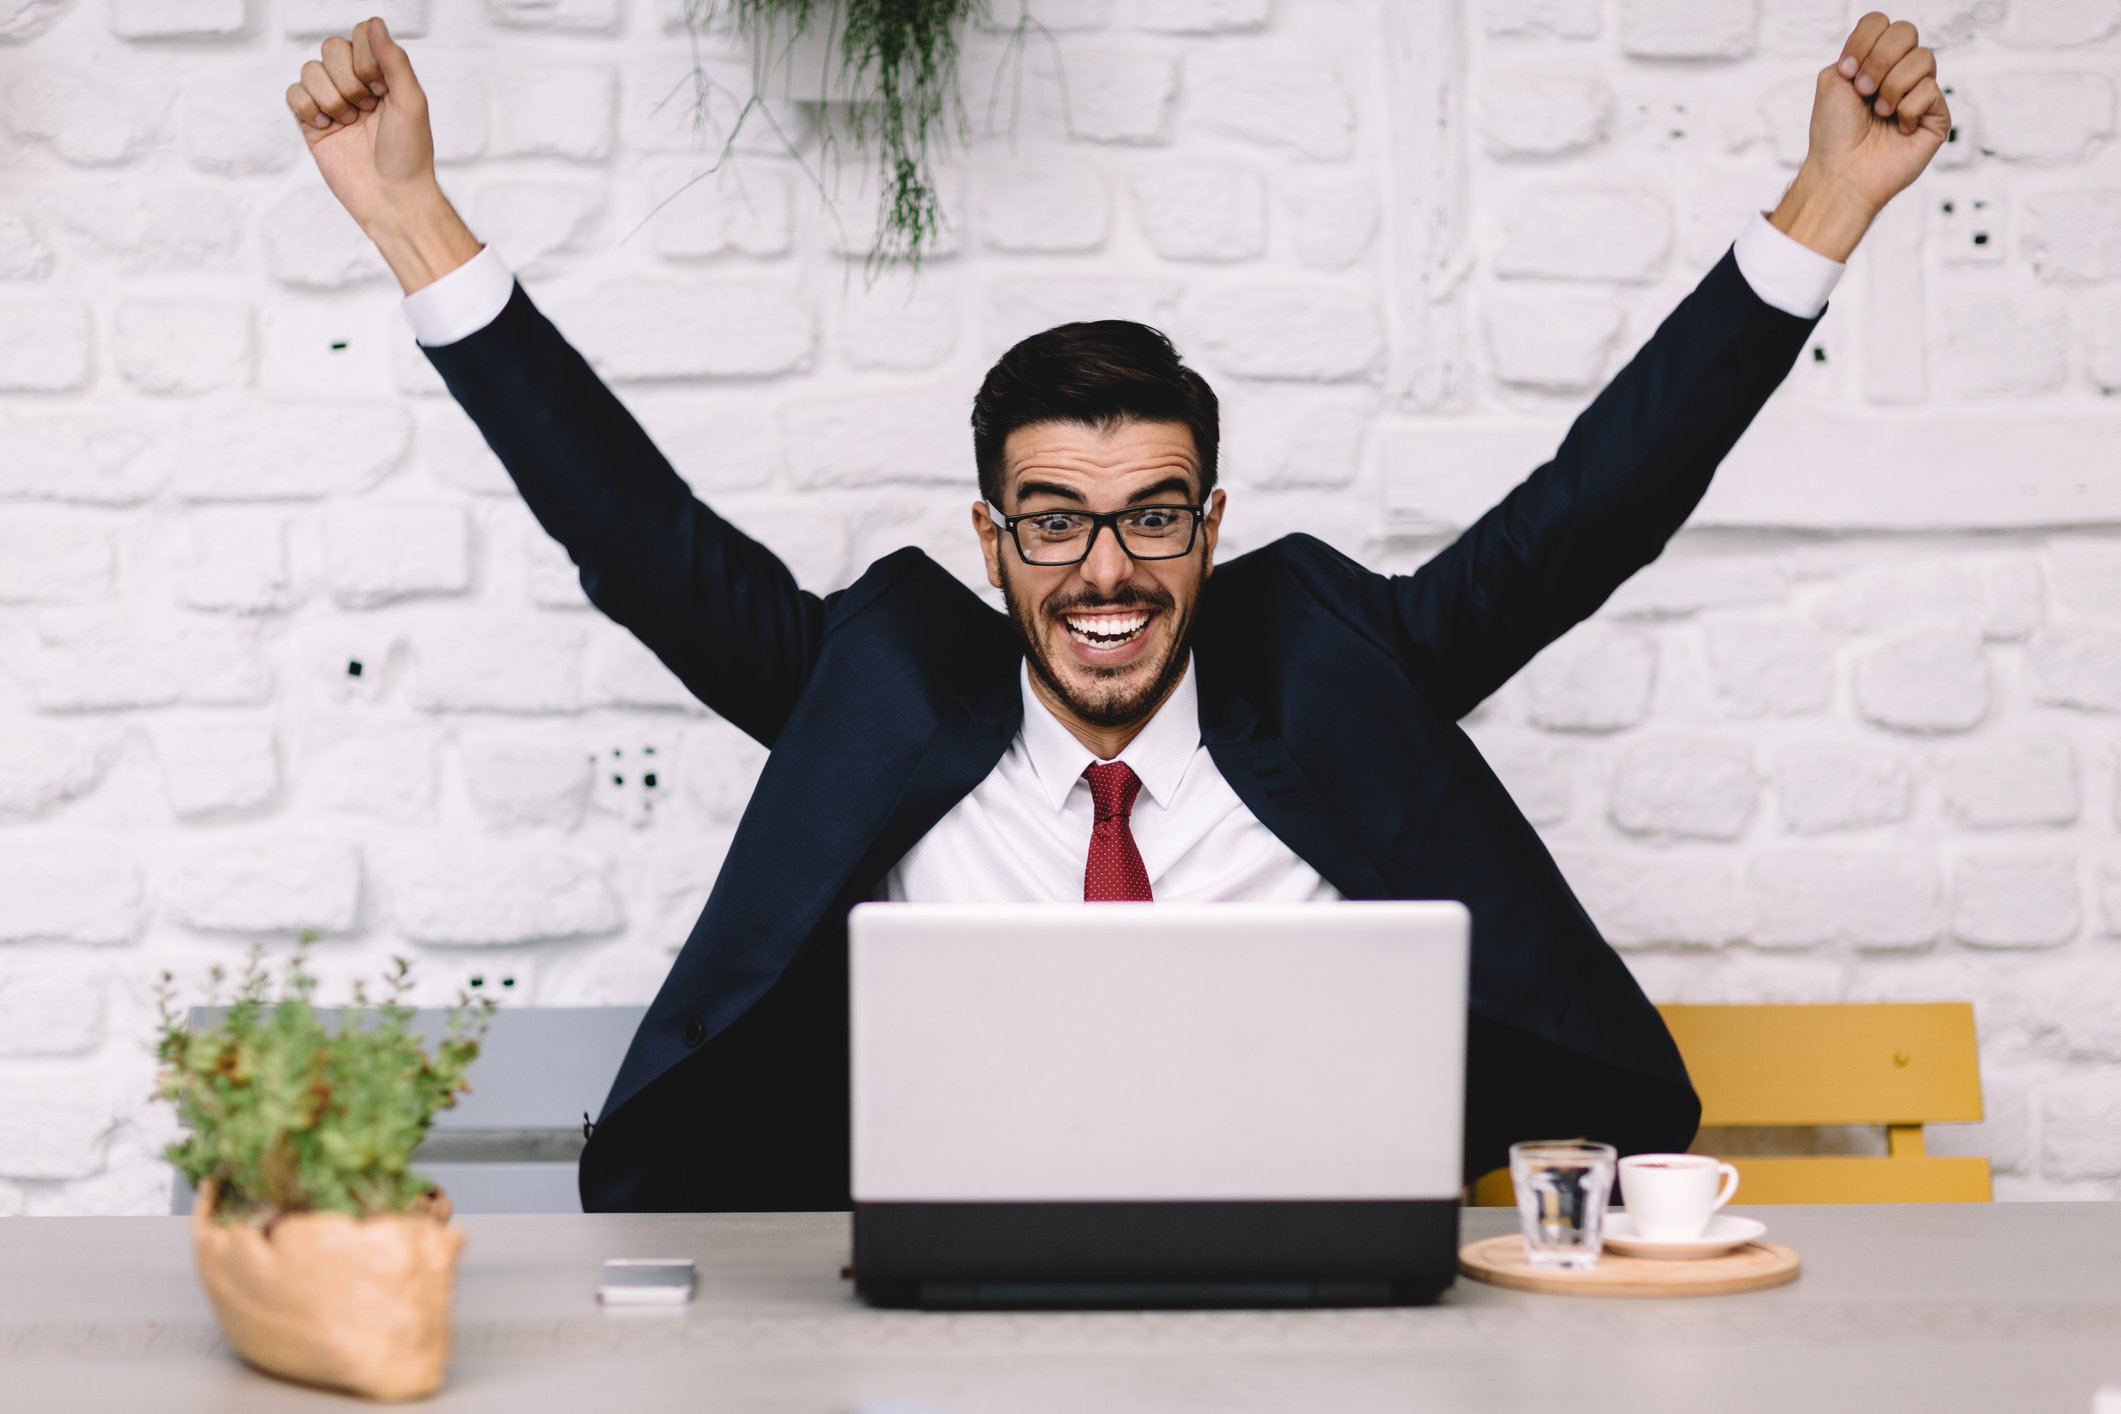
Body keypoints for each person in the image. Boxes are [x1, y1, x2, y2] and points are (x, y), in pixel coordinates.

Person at [288, 15, 1951, 1211]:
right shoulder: (878, 686)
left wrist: (1823, 208)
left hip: (1331, 1294)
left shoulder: (1326, 666)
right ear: (994, 538)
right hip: (949, 1303)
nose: (1104, 571)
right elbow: (638, 542)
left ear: (1210, 526)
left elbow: (1592, 513)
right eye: (1056, 523)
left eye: (1152, 517)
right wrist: (410, 215)